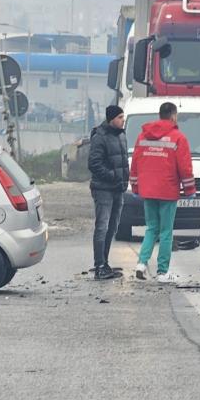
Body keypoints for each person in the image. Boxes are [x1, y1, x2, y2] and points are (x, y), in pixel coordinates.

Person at [129, 101, 195, 284]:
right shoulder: (178, 138)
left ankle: (141, 264)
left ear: (160, 115)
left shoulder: (143, 135)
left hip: (148, 190)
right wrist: (190, 189)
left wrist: (135, 187)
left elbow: (135, 163)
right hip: (167, 190)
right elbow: (185, 166)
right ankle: (162, 272)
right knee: (166, 231)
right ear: (174, 116)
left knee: (151, 228)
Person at [88, 105, 129, 280]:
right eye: (120, 117)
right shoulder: (100, 137)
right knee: (102, 227)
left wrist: (124, 179)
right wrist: (113, 176)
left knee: (112, 227)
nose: (123, 120)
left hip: (118, 189)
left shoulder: (121, 135)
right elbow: (94, 164)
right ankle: (99, 266)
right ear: (111, 119)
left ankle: (105, 262)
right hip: (103, 189)